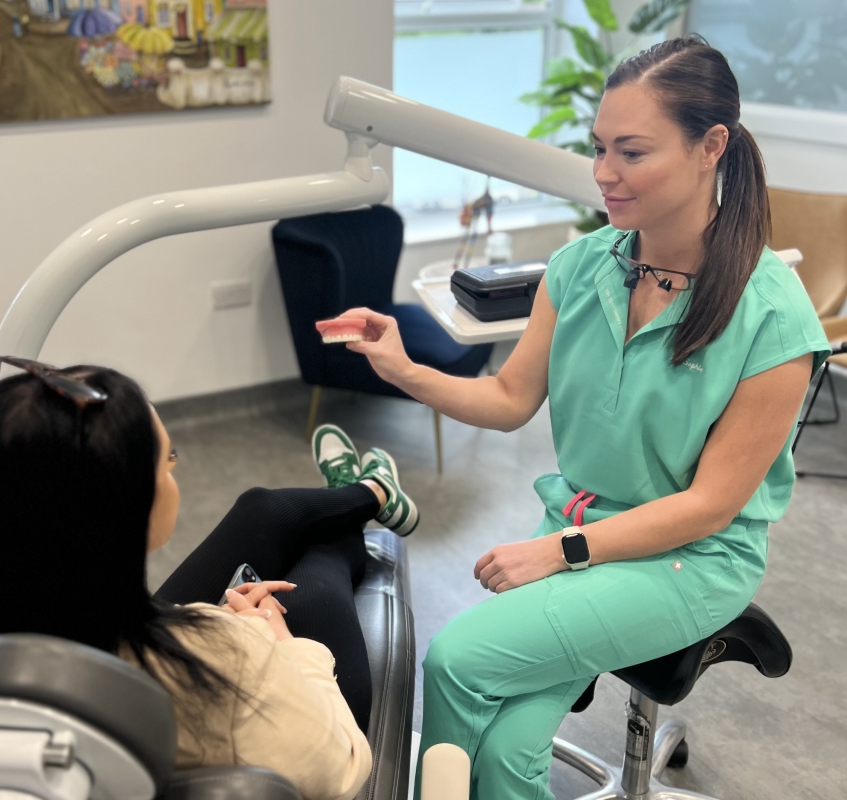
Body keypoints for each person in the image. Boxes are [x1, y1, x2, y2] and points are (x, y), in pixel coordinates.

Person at [331, 36, 831, 800]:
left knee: (456, 660)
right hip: (580, 524)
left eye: (631, 152)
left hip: (691, 558)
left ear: (712, 147)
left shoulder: (772, 316)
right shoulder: (581, 266)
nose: (604, 174)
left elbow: (709, 507)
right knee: (502, 755)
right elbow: (507, 400)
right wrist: (405, 370)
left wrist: (562, 551)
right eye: (599, 148)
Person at [0, 357, 419, 800]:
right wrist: (278, 643)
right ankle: (362, 501)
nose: (173, 473)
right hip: (277, 710)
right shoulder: (229, 656)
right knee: (318, 574)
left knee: (262, 509)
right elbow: (344, 770)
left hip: (131, 652)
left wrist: (212, 624)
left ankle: (368, 493)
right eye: (167, 462)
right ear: (123, 512)